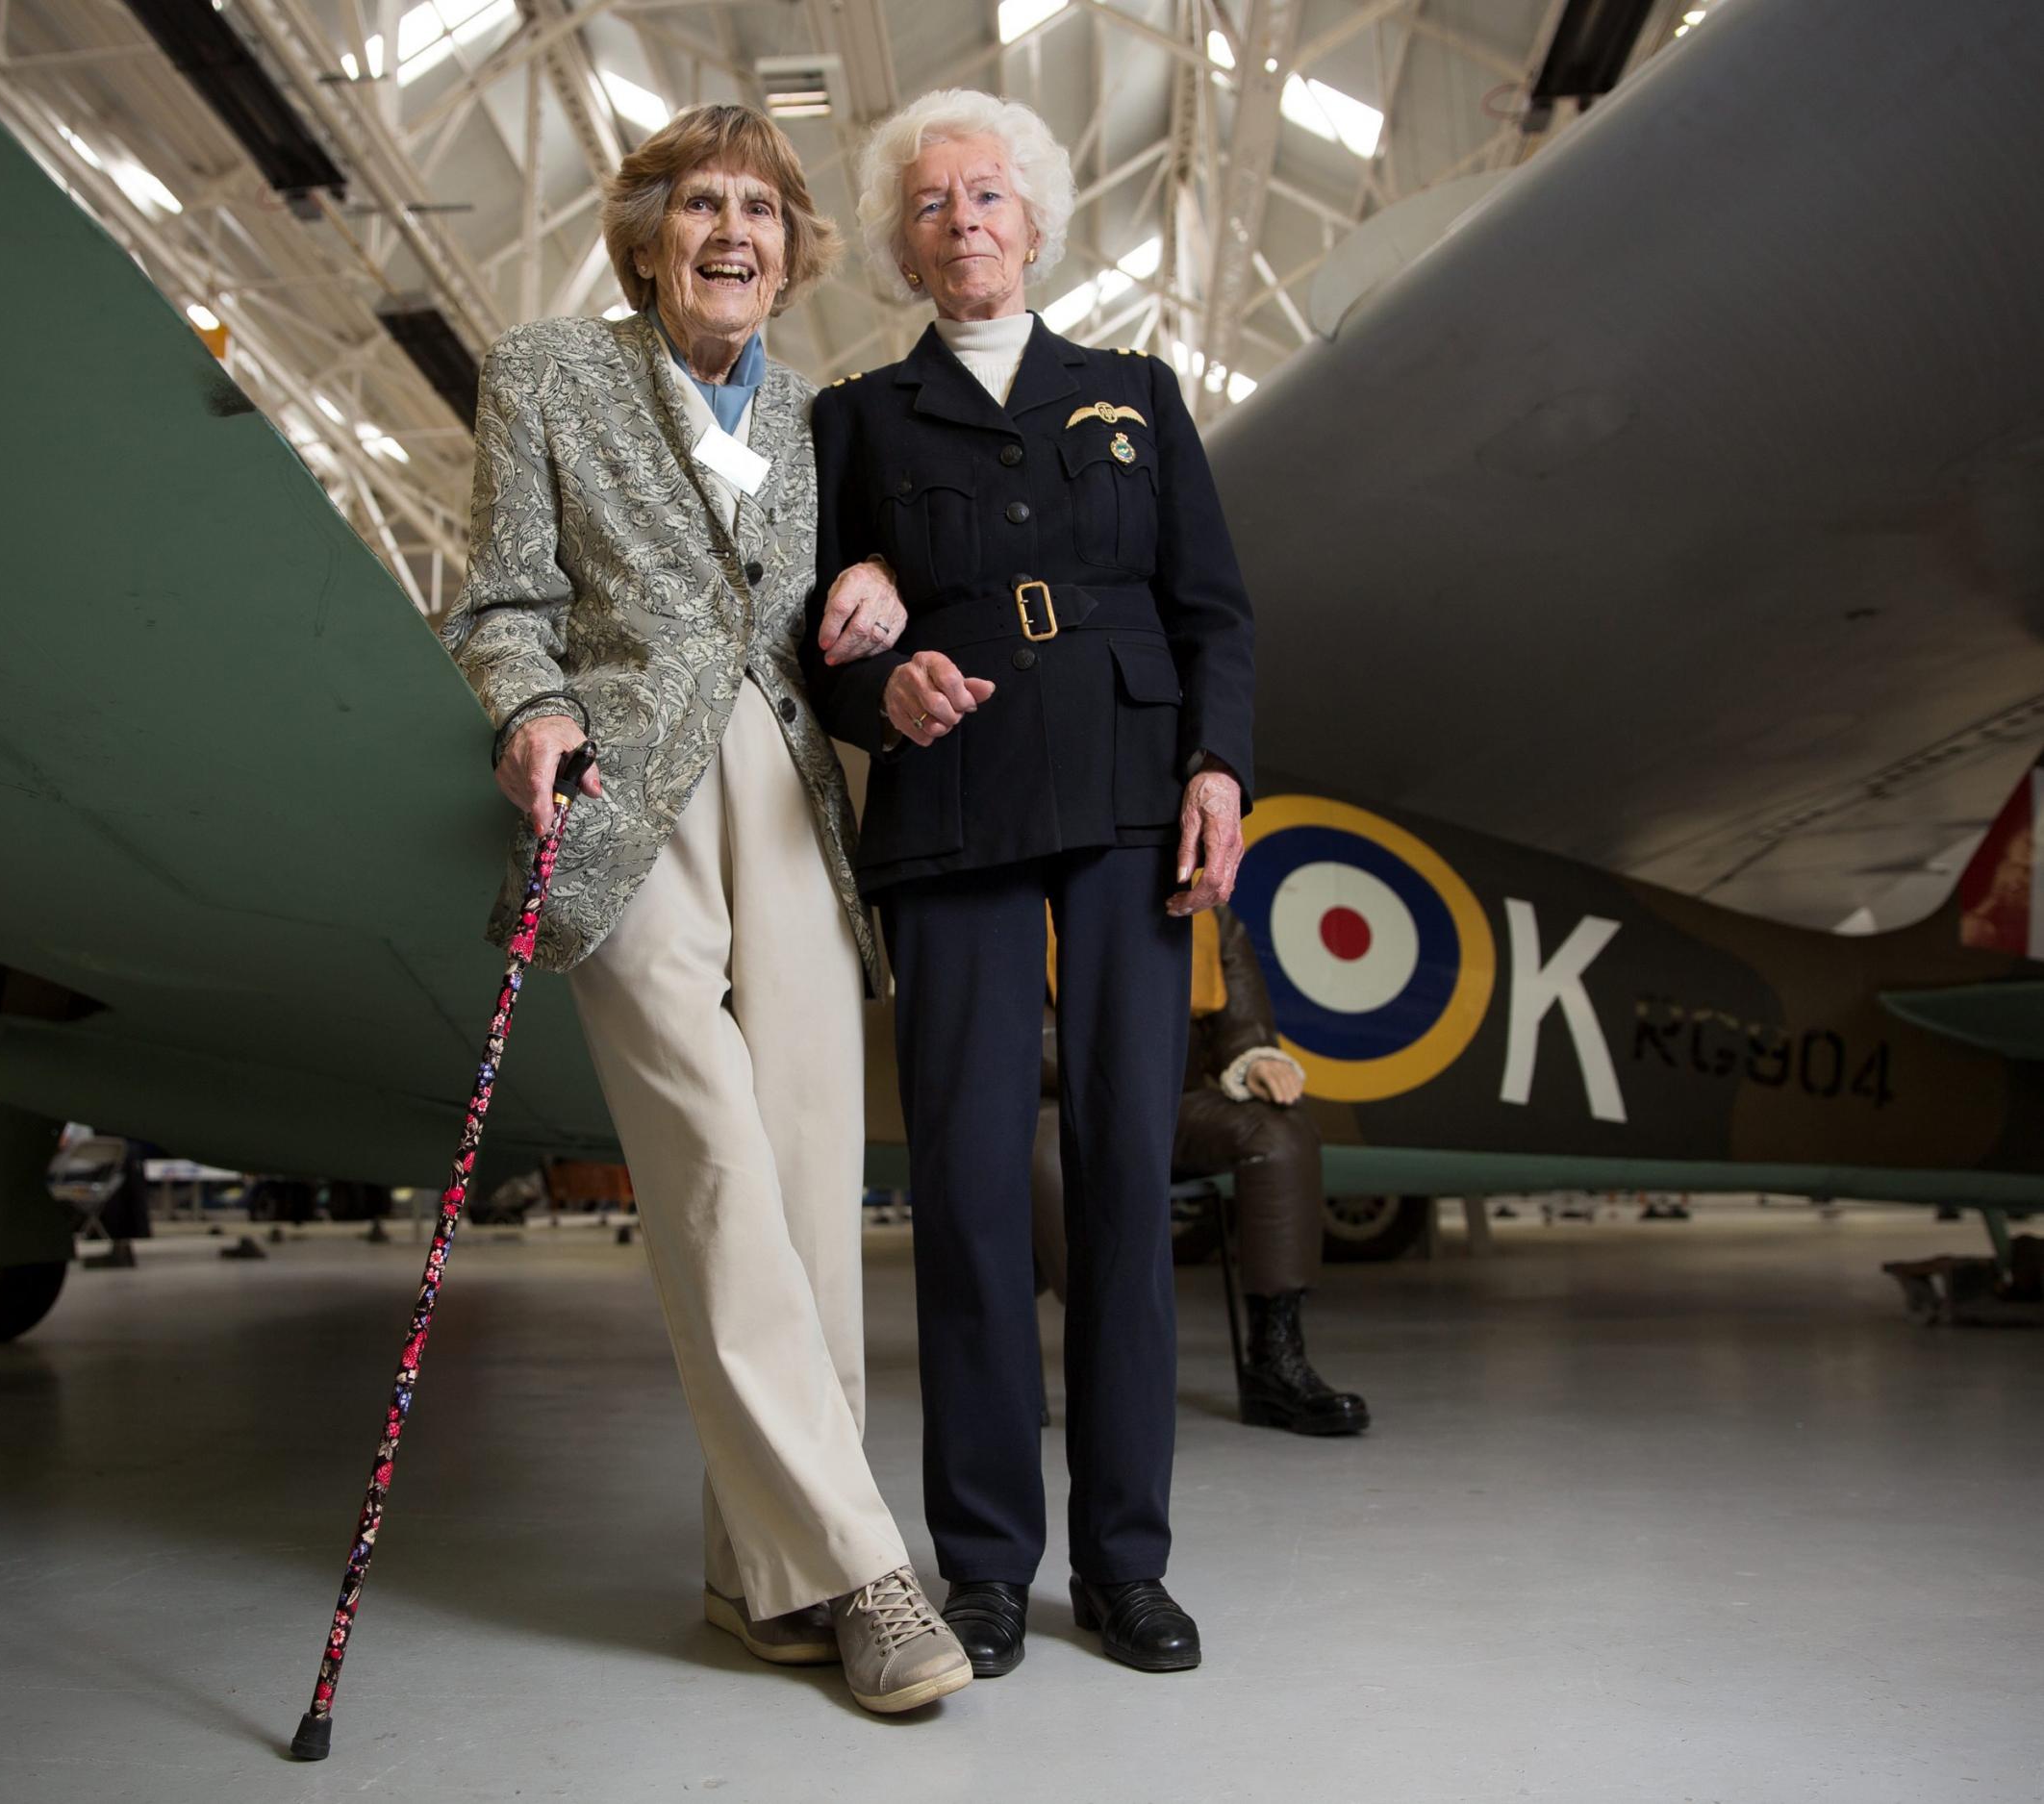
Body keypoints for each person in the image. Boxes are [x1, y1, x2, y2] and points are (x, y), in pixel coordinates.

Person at [437, 104, 970, 1715]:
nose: (734, 231)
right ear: (651, 232)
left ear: (798, 249)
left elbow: (831, 615)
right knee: (721, 1174)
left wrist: (879, 601)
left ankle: (759, 1581)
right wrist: (528, 708)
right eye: (703, 204)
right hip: (626, 804)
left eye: (764, 209)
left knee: (812, 1190)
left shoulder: (820, 417)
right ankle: (867, 1572)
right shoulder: (547, 372)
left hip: (795, 804)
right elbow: (504, 602)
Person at [805, 88, 1255, 1681]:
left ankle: (1127, 1563)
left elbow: (1215, 609)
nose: (963, 222)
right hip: (957, 811)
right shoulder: (855, 421)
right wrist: (880, 694)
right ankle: (986, 1566)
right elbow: (822, 654)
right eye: (930, 205)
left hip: (1134, 805)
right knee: (976, 1196)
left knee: (1133, 1184)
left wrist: (1221, 768)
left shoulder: (1135, 394)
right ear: (902, 243)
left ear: (1038, 219)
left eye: (987, 194)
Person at [1030, 911, 1370, 1436]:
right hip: (1062, 1097)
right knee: (1046, 1151)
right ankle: (1103, 1361)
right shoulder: (1033, 898)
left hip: (1173, 1093)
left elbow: (1239, 1014)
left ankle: (1275, 1359)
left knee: (1279, 1134)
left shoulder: (1202, 898)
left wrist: (1253, 1056)